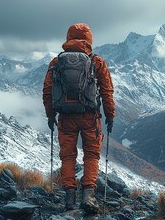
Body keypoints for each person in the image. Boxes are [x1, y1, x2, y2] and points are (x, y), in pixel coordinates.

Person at [42, 23, 115, 213]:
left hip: (66, 117)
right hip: (89, 117)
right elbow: (107, 91)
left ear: (68, 38)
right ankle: (88, 196)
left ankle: (69, 198)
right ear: (89, 39)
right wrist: (110, 116)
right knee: (91, 154)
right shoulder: (96, 61)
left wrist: (51, 116)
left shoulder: (56, 63)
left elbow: (47, 91)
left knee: (68, 156)